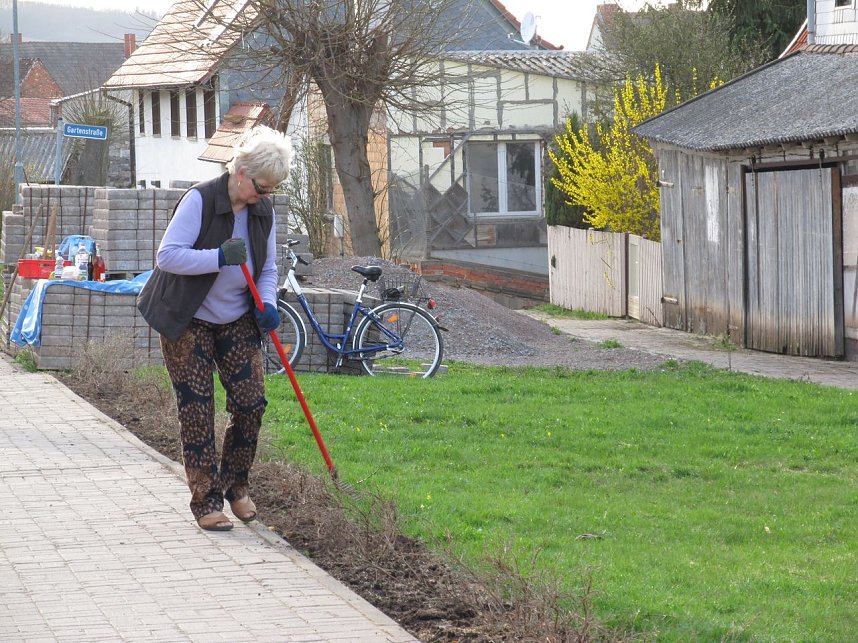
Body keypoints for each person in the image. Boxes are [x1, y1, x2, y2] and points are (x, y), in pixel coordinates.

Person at [137, 125, 291, 531]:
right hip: (188, 319)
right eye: (262, 186)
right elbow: (168, 256)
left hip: (237, 317)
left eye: (272, 189)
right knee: (197, 409)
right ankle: (205, 502)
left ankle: (236, 486)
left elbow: (269, 267)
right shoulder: (200, 200)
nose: (266, 195)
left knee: (251, 403)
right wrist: (218, 257)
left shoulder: (262, 212)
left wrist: (270, 302)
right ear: (240, 171)